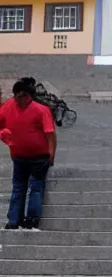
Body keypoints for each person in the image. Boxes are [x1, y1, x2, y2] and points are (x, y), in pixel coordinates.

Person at [0, 77, 56, 230]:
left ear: (29, 96)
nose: (18, 99)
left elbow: (50, 134)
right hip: (19, 156)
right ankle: (14, 219)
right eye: (16, 95)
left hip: (39, 158)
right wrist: (4, 136)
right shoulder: (8, 106)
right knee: (18, 187)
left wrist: (51, 154)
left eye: (22, 95)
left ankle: (31, 219)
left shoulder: (41, 110)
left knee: (36, 187)